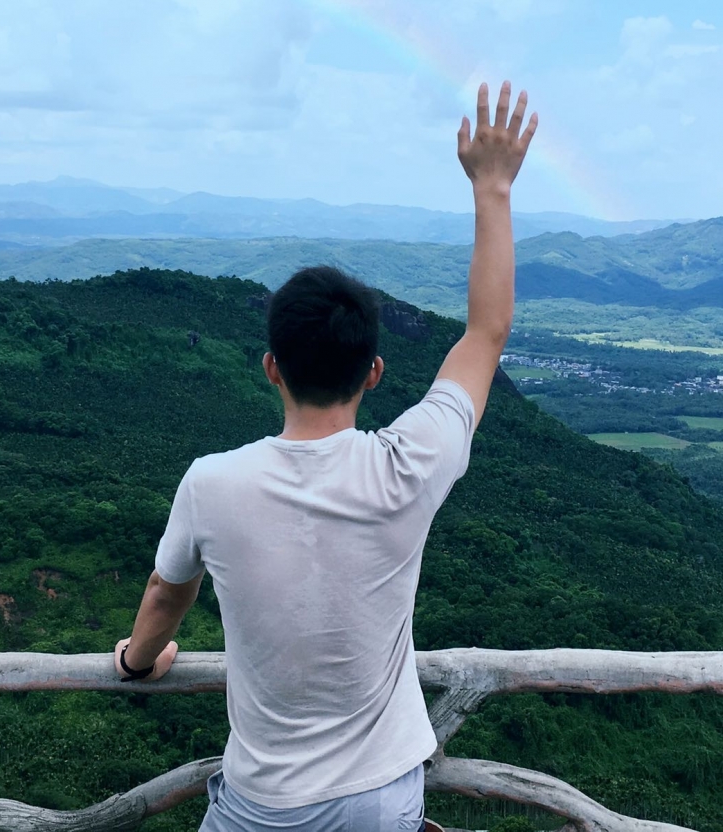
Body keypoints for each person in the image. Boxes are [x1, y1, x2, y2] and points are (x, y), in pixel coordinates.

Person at [114, 81, 538, 832]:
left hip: (261, 804)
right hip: (379, 801)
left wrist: (136, 661)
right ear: (373, 373)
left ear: (271, 368)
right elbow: (486, 333)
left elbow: (164, 595)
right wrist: (493, 187)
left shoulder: (210, 483)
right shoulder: (408, 466)